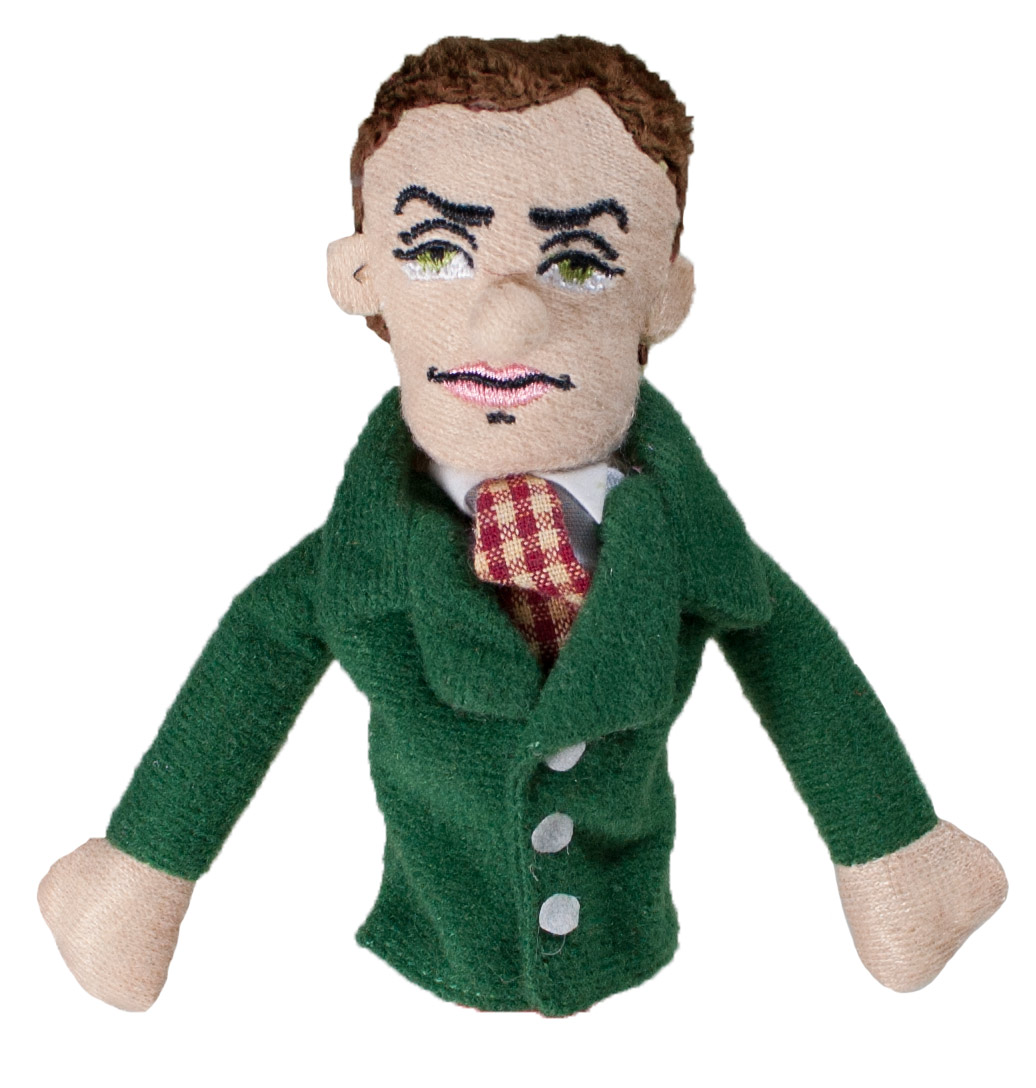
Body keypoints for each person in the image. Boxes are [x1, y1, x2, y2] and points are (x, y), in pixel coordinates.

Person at [38, 36, 1007, 1017]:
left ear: (663, 291)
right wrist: (143, 865)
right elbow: (251, 664)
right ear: (361, 273)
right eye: (435, 252)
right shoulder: (358, 561)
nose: (505, 324)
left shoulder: (687, 544)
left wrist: (894, 847)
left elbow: (796, 663)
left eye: (579, 261)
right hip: (422, 952)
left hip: (639, 955)